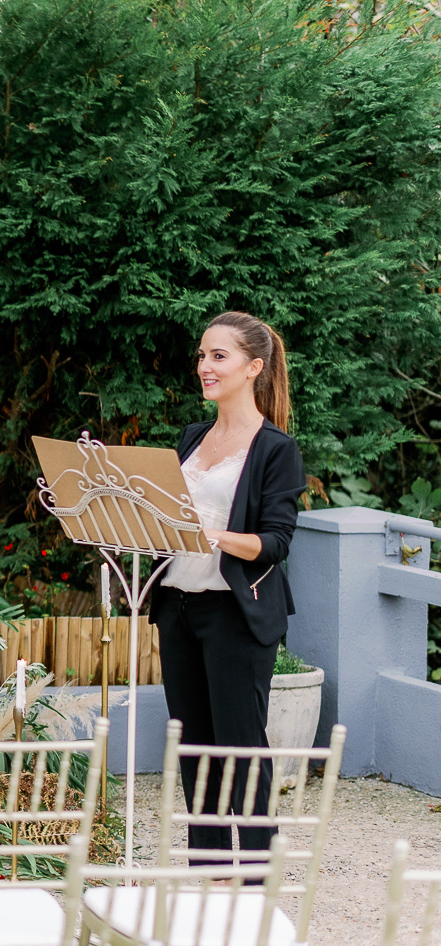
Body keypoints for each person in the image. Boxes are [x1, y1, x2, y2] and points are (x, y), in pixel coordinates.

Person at [149, 311, 306, 862]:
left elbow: (276, 542)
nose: (204, 367)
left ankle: (259, 873)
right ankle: (211, 871)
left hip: (237, 616)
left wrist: (213, 535)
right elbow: (164, 513)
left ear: (253, 367)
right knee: (194, 749)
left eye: (219, 356)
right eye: (201, 355)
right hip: (179, 608)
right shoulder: (193, 437)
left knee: (241, 747)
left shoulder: (275, 449)